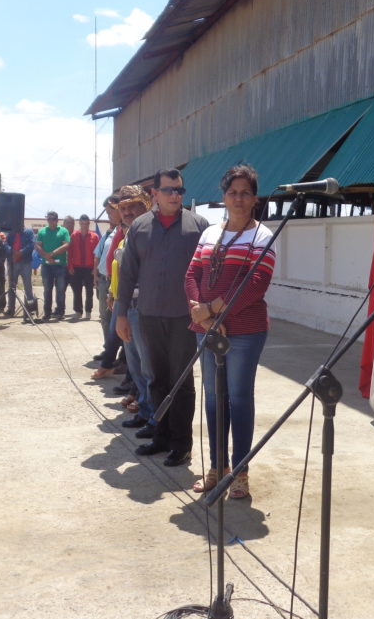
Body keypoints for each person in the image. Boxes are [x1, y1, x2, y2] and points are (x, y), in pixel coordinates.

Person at [185, 164, 275, 499]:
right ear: (224, 197)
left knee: (238, 399)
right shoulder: (209, 233)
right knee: (213, 399)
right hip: (207, 329)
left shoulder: (262, 236)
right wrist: (202, 314)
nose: (238, 199)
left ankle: (240, 471)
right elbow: (192, 272)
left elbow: (254, 285)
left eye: (245, 193)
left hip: (245, 332)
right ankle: (217, 466)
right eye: (232, 192)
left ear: (254, 199)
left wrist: (211, 309)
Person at [116, 168, 209, 467]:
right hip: (149, 316)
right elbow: (127, 274)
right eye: (168, 190)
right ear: (154, 193)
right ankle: (161, 435)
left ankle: (181, 444)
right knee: (155, 378)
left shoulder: (199, 227)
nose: (175, 195)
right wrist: (121, 316)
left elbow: (209, 273)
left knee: (181, 382)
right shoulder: (140, 228)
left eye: (179, 190)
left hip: (185, 318)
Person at [109, 187, 156, 432]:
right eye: (123, 208)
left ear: (145, 206)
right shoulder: (127, 234)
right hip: (127, 307)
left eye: (133, 206)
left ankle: (153, 418)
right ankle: (144, 410)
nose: (127, 212)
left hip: (146, 308)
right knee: (135, 365)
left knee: (148, 368)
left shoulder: (151, 232)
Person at [94, 197, 121, 343]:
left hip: (115, 281)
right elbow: (98, 255)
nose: (109, 217)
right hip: (104, 279)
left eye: (110, 213)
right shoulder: (109, 233)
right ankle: (107, 349)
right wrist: (96, 274)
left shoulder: (126, 231)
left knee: (116, 318)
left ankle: (118, 355)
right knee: (105, 317)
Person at [35, 210, 69, 321]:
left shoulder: (63, 231)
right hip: (47, 266)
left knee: (60, 290)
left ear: (57, 220)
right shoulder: (42, 231)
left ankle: (60, 312)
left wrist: (52, 254)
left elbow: (66, 245)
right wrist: (46, 256)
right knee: (47, 290)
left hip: (60, 266)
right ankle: (47, 313)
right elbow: (38, 246)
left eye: (53, 219)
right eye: (48, 219)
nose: (51, 221)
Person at [67, 214, 99, 320]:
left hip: (89, 268)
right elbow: (70, 252)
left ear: (89, 224)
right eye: (82, 223)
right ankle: (78, 311)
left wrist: (95, 269)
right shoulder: (74, 235)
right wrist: (70, 266)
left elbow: (97, 254)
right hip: (76, 267)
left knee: (89, 291)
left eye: (86, 223)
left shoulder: (95, 237)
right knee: (77, 291)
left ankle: (88, 311)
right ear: (79, 223)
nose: (84, 225)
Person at [4, 223, 36, 318]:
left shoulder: (29, 232)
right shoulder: (10, 233)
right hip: (13, 263)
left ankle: (29, 309)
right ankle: (11, 309)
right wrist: (13, 251)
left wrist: (21, 252)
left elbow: (31, 244)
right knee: (12, 287)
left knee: (27, 286)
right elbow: (6, 244)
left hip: (25, 262)